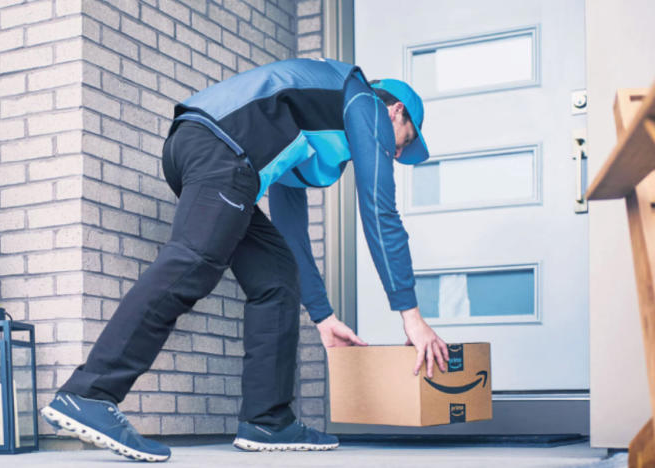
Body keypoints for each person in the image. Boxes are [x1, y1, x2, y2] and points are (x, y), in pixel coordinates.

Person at [41, 58, 449, 462]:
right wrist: (410, 315)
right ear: (396, 111)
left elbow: (292, 234)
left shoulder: (309, 128)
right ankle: (89, 394)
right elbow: (379, 209)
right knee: (194, 261)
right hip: (220, 148)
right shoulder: (365, 102)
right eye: (406, 141)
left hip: (212, 153)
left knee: (276, 271)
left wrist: (323, 318)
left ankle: (267, 421)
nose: (397, 154)